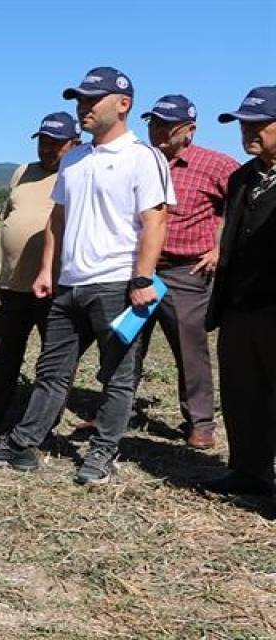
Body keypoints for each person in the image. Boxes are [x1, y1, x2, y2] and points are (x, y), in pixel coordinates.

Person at [0, 67, 173, 485]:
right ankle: (23, 446)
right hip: (69, 285)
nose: (83, 108)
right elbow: (57, 219)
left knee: (117, 375)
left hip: (117, 285)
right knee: (51, 371)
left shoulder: (142, 157)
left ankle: (102, 455)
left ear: (123, 104)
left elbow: (155, 221)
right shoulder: (75, 158)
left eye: (91, 100)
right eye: (79, 100)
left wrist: (142, 279)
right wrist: (47, 270)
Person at [0, 112, 81, 433]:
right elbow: (11, 215)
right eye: (44, 142)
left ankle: (44, 422)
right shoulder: (23, 172)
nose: (47, 149)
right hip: (11, 284)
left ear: (74, 143)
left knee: (55, 361)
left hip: (56, 286)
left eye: (56, 144)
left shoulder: (80, 173)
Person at [129, 95, 239, 449]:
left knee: (190, 350)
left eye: (167, 125)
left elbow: (245, 204)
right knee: (126, 342)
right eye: (153, 123)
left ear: (189, 130)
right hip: (140, 269)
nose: (158, 131)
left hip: (185, 273)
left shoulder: (217, 165)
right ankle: (116, 409)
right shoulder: (139, 161)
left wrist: (221, 248)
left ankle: (200, 422)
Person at [201, 86, 276, 497]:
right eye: (244, 123)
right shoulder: (242, 177)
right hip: (239, 304)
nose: (249, 131)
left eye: (259, 123)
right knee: (242, 391)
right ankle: (250, 470)